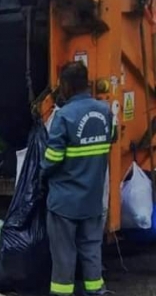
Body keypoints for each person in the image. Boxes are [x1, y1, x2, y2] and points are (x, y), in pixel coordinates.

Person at [42, 62, 114, 296]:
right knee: (92, 249)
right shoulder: (105, 111)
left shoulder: (63, 116)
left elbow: (51, 160)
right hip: (92, 197)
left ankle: (62, 294)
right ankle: (96, 291)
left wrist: (41, 173)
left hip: (65, 201)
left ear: (66, 85)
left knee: (64, 254)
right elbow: (109, 142)